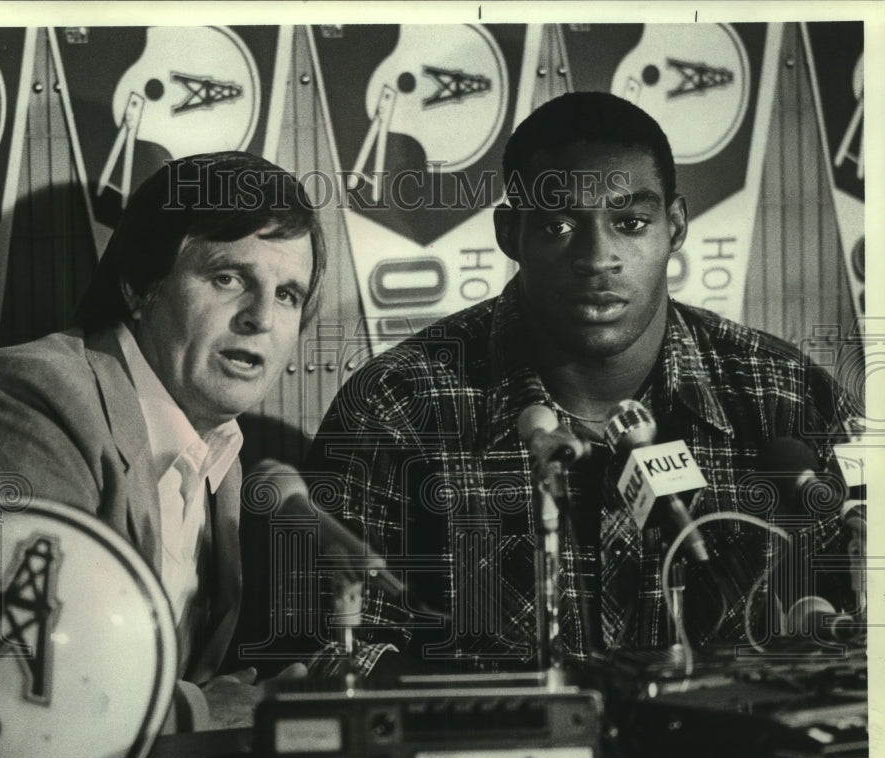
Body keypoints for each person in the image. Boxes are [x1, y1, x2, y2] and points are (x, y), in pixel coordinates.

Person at [304, 92, 864, 677]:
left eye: (630, 222)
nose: (598, 257)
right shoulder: (396, 407)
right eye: (558, 224)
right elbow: (327, 656)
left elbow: (857, 620)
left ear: (674, 227)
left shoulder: (785, 396)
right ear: (509, 233)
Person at [0, 151, 325, 730]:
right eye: (228, 277)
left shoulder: (222, 457)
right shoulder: (27, 400)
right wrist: (202, 712)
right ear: (139, 285)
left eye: (288, 294)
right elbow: (16, 674)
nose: (261, 317)